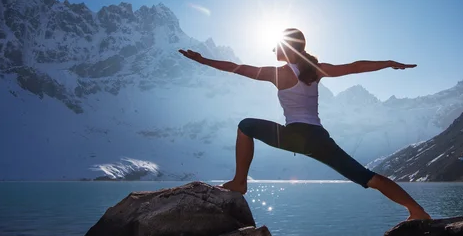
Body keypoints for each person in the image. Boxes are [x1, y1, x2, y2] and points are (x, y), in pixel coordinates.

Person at [179, 28, 431, 221]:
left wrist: (204, 61)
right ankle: (417, 210)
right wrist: (387, 63)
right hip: (319, 138)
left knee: (246, 125)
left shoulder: (278, 73)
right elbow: (354, 67)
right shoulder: (316, 70)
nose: (272, 49)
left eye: (276, 45)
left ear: (288, 48)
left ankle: (239, 181)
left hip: (296, 136)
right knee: (367, 177)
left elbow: (237, 68)